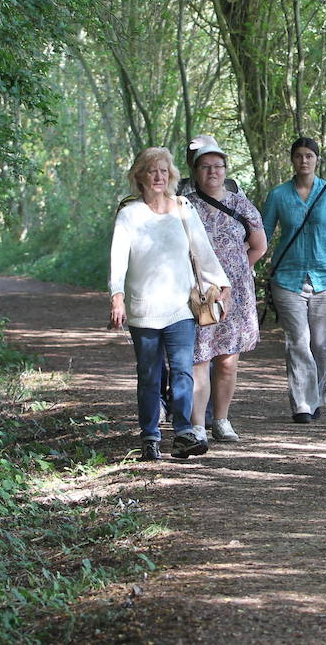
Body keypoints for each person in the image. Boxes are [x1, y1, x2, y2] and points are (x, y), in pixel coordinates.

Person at [109, 147, 231, 461]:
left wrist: (222, 284)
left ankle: (183, 433)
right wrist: (117, 296)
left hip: (180, 307)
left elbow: (202, 250)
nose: (159, 177)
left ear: (171, 175)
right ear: (140, 177)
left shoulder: (183, 207)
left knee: (182, 372)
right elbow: (118, 260)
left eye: (164, 171)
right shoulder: (129, 214)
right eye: (152, 171)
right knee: (149, 374)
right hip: (143, 308)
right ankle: (150, 436)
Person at [262, 136, 326, 423]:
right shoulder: (278, 195)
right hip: (288, 278)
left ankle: (316, 396)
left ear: (317, 160)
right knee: (298, 342)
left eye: (309, 156)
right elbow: (261, 234)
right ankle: (302, 404)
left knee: (324, 347)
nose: (304, 160)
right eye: (299, 155)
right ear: (292, 159)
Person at [188, 142, 267, 443]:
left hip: (235, 294)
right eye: (205, 166)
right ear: (195, 172)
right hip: (199, 293)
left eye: (218, 166)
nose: (212, 172)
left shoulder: (241, 205)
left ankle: (221, 419)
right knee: (199, 357)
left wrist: (237, 273)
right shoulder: (185, 205)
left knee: (227, 360)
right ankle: (197, 425)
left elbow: (259, 246)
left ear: (225, 170)